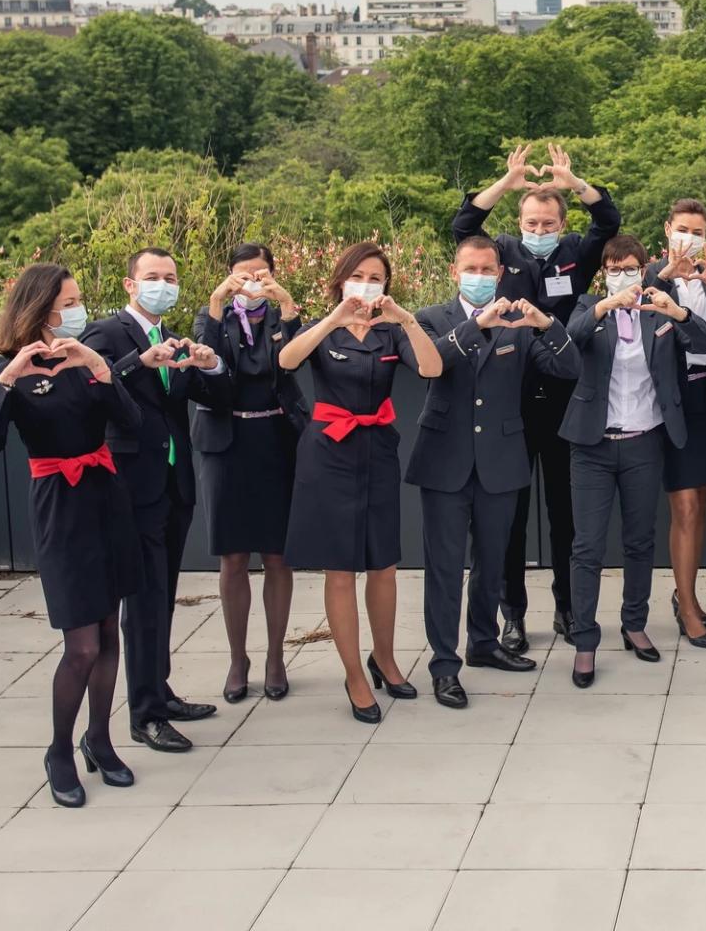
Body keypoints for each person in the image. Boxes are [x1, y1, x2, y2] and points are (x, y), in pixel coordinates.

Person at [0, 263, 143, 806]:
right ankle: (59, 750)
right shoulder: (11, 370)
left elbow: (131, 421)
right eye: (69, 300)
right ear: (43, 307)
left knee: (111, 633)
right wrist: (8, 379)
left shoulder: (82, 360)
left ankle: (100, 739)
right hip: (59, 505)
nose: (78, 309)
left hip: (105, 495)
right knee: (82, 644)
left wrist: (99, 366)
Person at [451, 141, 620, 654]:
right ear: (519, 221)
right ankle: (513, 616)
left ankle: (568, 607)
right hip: (511, 402)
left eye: (549, 224)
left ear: (561, 226)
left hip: (569, 398)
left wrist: (576, 186)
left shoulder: (575, 254)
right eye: (532, 223)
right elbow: (463, 228)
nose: (540, 231)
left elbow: (608, 224)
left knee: (568, 514)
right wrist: (506, 183)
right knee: (511, 515)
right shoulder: (503, 251)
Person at [408, 236, 581, 707]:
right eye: (472, 269)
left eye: (488, 270)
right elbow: (431, 365)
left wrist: (545, 322)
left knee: (493, 562)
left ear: (501, 273)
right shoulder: (431, 318)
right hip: (446, 459)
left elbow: (568, 367)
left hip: (502, 458)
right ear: (454, 270)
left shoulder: (517, 325)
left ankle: (483, 643)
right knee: (445, 569)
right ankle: (445, 665)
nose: (480, 277)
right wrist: (475, 326)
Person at [278, 241, 443, 724]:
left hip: (378, 448)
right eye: (359, 276)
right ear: (341, 279)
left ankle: (385, 658)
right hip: (328, 451)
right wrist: (333, 318)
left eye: (376, 278)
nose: (367, 285)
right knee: (340, 568)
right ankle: (353, 674)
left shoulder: (391, 333)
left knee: (384, 563)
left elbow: (432, 368)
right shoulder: (322, 329)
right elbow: (287, 361)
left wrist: (406, 319)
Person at [82, 248, 226, 754]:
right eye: (152, 277)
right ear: (130, 284)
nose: (162, 285)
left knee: (162, 595)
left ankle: (158, 690)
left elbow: (204, 398)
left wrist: (209, 365)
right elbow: (88, 388)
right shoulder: (107, 333)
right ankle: (143, 714)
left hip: (173, 481)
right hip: (131, 483)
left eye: (170, 277)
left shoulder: (171, 337)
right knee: (142, 601)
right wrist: (135, 362)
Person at [559, 236, 706, 688]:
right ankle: (586, 640)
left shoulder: (658, 309)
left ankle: (635, 623)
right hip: (591, 445)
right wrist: (606, 304)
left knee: (639, 540)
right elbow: (568, 341)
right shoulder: (590, 305)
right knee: (587, 547)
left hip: (645, 442)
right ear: (604, 273)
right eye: (614, 268)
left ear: (645, 269)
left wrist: (677, 312)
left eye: (630, 268)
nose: (623, 275)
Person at [191, 243, 306, 704]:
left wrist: (287, 306)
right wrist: (218, 305)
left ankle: (276, 655)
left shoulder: (283, 316)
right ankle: (238, 658)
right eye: (243, 275)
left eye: (261, 274)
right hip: (227, 445)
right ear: (228, 277)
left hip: (277, 441)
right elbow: (210, 369)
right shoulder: (212, 316)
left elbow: (295, 360)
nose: (252, 283)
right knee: (233, 557)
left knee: (278, 556)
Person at [646, 200, 706, 648]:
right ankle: (686, 609)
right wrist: (663, 278)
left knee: (702, 502)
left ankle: (688, 595)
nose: (689, 238)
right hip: (671, 403)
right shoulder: (650, 277)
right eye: (682, 229)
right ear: (667, 229)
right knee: (683, 507)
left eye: (697, 232)